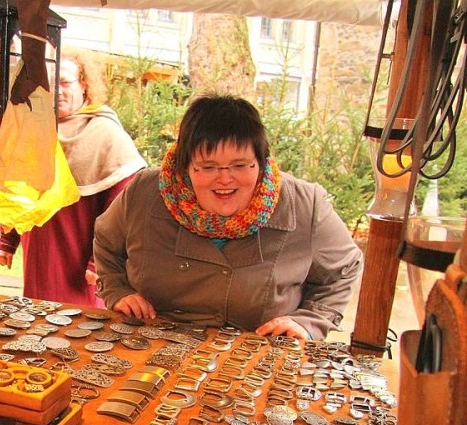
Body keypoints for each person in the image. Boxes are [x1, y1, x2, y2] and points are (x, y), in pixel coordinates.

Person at [93, 94, 363, 340]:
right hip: (152, 346)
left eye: (240, 165)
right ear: (185, 165)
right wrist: (117, 289)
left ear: (261, 161)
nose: (224, 179)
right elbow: (106, 242)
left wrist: (310, 321)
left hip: (258, 359)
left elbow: (345, 269)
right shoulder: (145, 192)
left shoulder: (304, 205)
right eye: (207, 167)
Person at [0, 49, 147, 307]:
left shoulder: (106, 134)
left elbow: (122, 209)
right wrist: (7, 239)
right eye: (50, 84)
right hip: (39, 253)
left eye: (65, 82)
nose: (57, 91)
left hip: (81, 258)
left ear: (84, 84)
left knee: (78, 328)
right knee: (36, 318)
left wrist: (99, 261)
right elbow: (17, 192)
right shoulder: (35, 130)